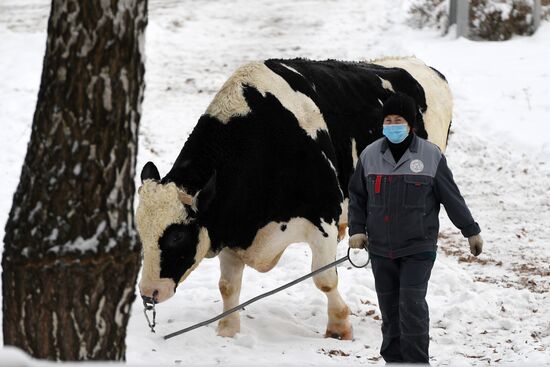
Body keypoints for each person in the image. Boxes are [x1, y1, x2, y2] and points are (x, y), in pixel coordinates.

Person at [347, 92, 483, 364]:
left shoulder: (430, 156)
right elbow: (358, 197)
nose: (393, 125)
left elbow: (450, 196)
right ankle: (394, 361)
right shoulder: (370, 155)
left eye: (399, 120)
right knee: (390, 311)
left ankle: (417, 362)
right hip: (381, 249)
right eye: (388, 120)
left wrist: (470, 230)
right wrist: (357, 230)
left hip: (417, 247)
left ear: (411, 124)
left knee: (411, 307)